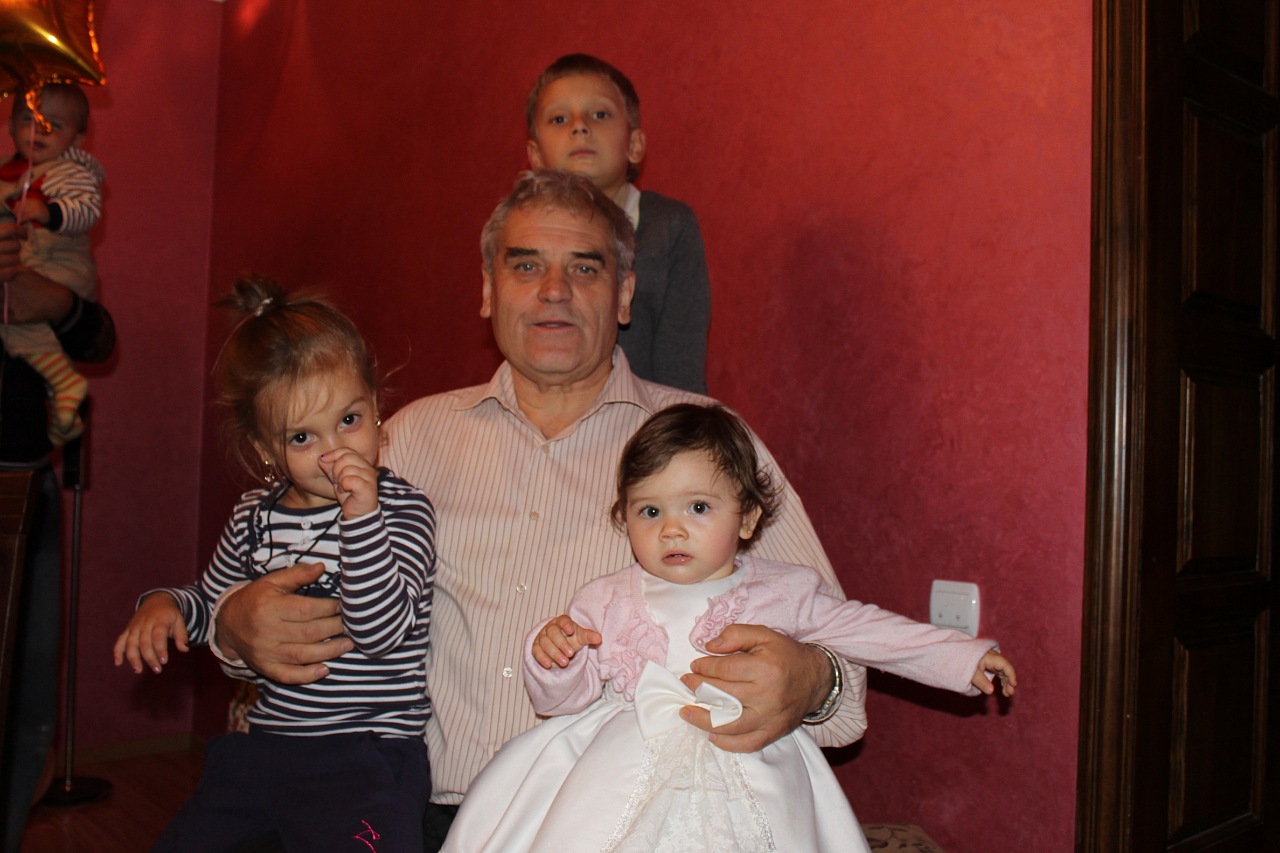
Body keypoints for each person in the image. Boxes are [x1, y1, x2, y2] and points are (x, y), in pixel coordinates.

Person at [213, 170, 864, 852]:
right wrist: (234, 628)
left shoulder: (711, 445)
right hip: (410, 816)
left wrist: (812, 679)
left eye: (585, 267)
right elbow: (293, 603)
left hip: (611, 829)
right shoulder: (399, 443)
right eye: (526, 265)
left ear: (625, 294)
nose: (554, 290)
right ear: (488, 289)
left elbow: (846, 669)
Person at [442, 403, 1018, 852]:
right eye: (650, 511)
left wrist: (960, 656)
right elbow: (562, 703)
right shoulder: (605, 597)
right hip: (617, 769)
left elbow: (869, 631)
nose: (671, 530)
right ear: (624, 517)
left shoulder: (786, 590)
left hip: (752, 760)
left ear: (747, 518)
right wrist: (554, 658)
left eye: (698, 508)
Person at [113, 276, 436, 853]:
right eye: (303, 437)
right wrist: (165, 605)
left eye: (349, 420)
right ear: (266, 449)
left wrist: (361, 520)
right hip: (266, 747)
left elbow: (382, 632)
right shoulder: (253, 517)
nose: (334, 452)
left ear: (376, 407)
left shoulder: (402, 510)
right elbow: (216, 605)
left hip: (366, 757)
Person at [0, 222, 114, 852]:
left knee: (25, 706)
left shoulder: (31, 225)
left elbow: (101, 338)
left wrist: (56, 302)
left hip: (27, 483)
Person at [526, 54, 710, 394]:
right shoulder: (519, 231)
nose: (579, 127)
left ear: (634, 145)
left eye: (599, 114)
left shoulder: (669, 227)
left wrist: (680, 424)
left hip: (646, 420)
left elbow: (681, 366)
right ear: (535, 156)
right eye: (559, 118)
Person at [0, 83, 105, 444]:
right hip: (30, 269)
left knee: (17, 321)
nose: (39, 131)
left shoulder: (71, 172)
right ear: (10, 126)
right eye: (28, 120)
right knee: (17, 327)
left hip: (60, 269)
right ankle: (61, 395)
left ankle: (62, 384)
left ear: (78, 137)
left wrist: (49, 212)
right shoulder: (7, 172)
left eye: (53, 125)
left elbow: (87, 210)